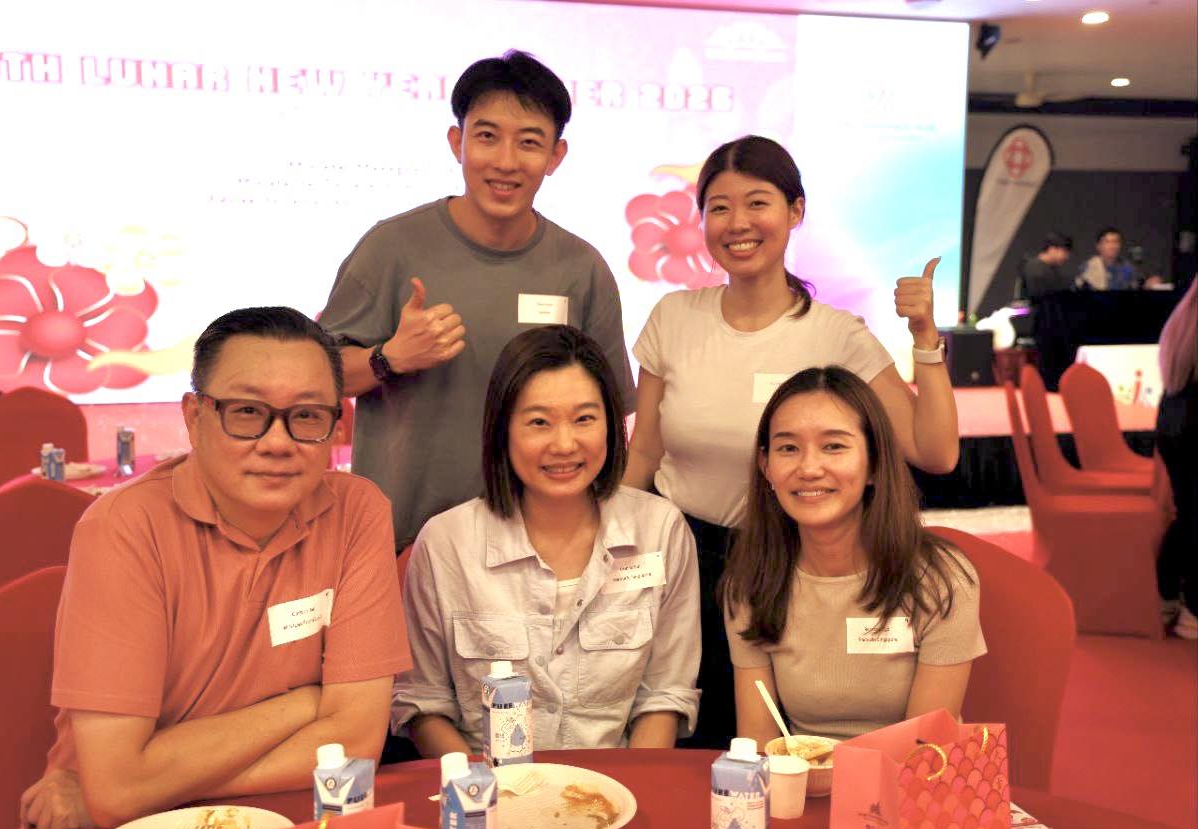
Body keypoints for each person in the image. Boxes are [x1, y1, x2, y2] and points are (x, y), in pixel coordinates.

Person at [0, 308, 412, 829]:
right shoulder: (124, 528)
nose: (278, 442)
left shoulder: (357, 511)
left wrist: (148, 783)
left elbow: (354, 748)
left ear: (336, 423)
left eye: (307, 416)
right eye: (247, 412)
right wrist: (307, 702)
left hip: (292, 816)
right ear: (194, 416)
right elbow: (119, 794)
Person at [623, 135, 959, 748]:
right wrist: (603, 541)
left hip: (787, 561)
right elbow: (643, 452)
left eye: (758, 203)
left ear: (795, 211)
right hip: (680, 555)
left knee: (757, 745)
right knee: (675, 730)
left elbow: (933, 451)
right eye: (719, 208)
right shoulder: (673, 317)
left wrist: (925, 338)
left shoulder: (836, 333)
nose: (738, 223)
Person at [319, 50, 635, 551]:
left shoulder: (581, 268)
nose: (506, 161)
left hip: (539, 546)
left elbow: (609, 416)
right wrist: (389, 358)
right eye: (487, 136)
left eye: (529, 142)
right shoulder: (391, 247)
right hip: (406, 542)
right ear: (456, 142)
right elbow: (320, 379)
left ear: (556, 156)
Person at [392, 325, 700, 755]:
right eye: (539, 422)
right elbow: (423, 703)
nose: (564, 443)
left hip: (616, 787)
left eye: (584, 419)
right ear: (503, 429)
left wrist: (632, 791)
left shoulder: (660, 530)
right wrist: (481, 797)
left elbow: (664, 695)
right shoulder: (446, 543)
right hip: (487, 793)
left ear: (612, 425)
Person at [720, 366, 985, 744]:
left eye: (834, 446)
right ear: (766, 467)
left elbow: (925, 751)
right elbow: (759, 744)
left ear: (875, 463)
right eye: (788, 448)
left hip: (908, 786)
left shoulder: (941, 580)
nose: (809, 468)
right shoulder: (750, 582)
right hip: (801, 788)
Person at [1156, 276, 1198, 639]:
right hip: (1189, 428)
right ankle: (1191, 611)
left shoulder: (1182, 318)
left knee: (1189, 513)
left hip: (1174, 423)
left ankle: (1168, 596)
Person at [1017, 232, 1073, 300]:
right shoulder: (1035, 269)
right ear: (1052, 249)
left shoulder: (1048, 269)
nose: (1067, 256)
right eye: (1065, 251)